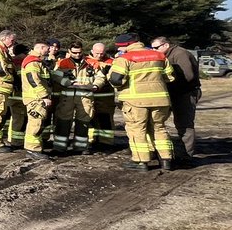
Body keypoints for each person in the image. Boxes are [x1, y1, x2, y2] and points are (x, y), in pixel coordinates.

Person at [108, 33, 175, 171]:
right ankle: (166, 160)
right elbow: (170, 77)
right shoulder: (159, 56)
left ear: (124, 46)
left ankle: (141, 161)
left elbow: (116, 80)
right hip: (160, 99)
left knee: (137, 129)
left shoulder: (125, 58)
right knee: (159, 128)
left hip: (135, 101)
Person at [151, 36, 201, 164]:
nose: (154, 51)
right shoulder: (165, 55)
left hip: (185, 93)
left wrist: (167, 84)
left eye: (156, 48)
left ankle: (186, 155)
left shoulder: (180, 54)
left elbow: (188, 76)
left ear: (166, 45)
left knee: (184, 124)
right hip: (172, 93)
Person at [51, 42, 91, 154]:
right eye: (74, 52)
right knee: (63, 121)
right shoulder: (63, 63)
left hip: (85, 97)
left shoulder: (90, 62)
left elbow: (100, 77)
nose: (77, 55)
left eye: (79, 52)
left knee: (83, 122)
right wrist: (67, 83)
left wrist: (96, 85)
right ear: (69, 51)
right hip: (67, 98)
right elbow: (56, 76)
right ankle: (59, 147)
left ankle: (81, 147)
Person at [20, 41, 54, 159]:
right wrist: (44, 96)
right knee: (35, 124)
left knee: (37, 123)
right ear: (40, 48)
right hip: (35, 98)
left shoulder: (38, 61)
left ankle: (34, 148)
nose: (49, 51)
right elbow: (33, 80)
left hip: (36, 97)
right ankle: (32, 149)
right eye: (47, 48)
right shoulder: (33, 62)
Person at [80, 42, 115, 150]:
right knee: (89, 118)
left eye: (102, 53)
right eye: (97, 53)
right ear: (92, 51)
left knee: (105, 120)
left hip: (106, 98)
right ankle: (91, 140)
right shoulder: (84, 61)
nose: (99, 56)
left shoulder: (111, 62)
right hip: (89, 96)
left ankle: (106, 142)